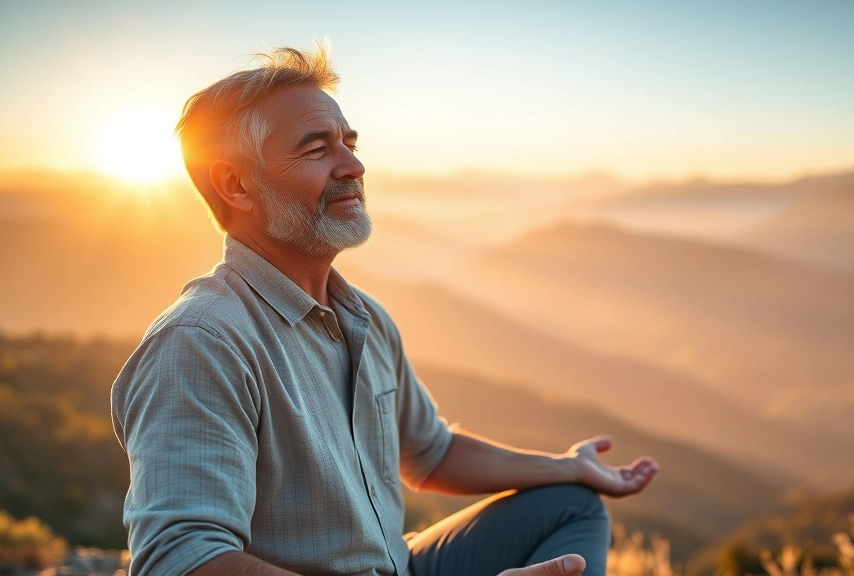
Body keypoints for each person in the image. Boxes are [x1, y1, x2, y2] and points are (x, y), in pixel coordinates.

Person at [111, 42, 658, 576]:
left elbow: (431, 453)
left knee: (572, 501)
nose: (353, 165)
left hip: (399, 563)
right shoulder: (202, 342)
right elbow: (179, 558)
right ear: (236, 184)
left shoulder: (362, 319)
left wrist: (566, 465)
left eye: (348, 142)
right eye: (316, 148)